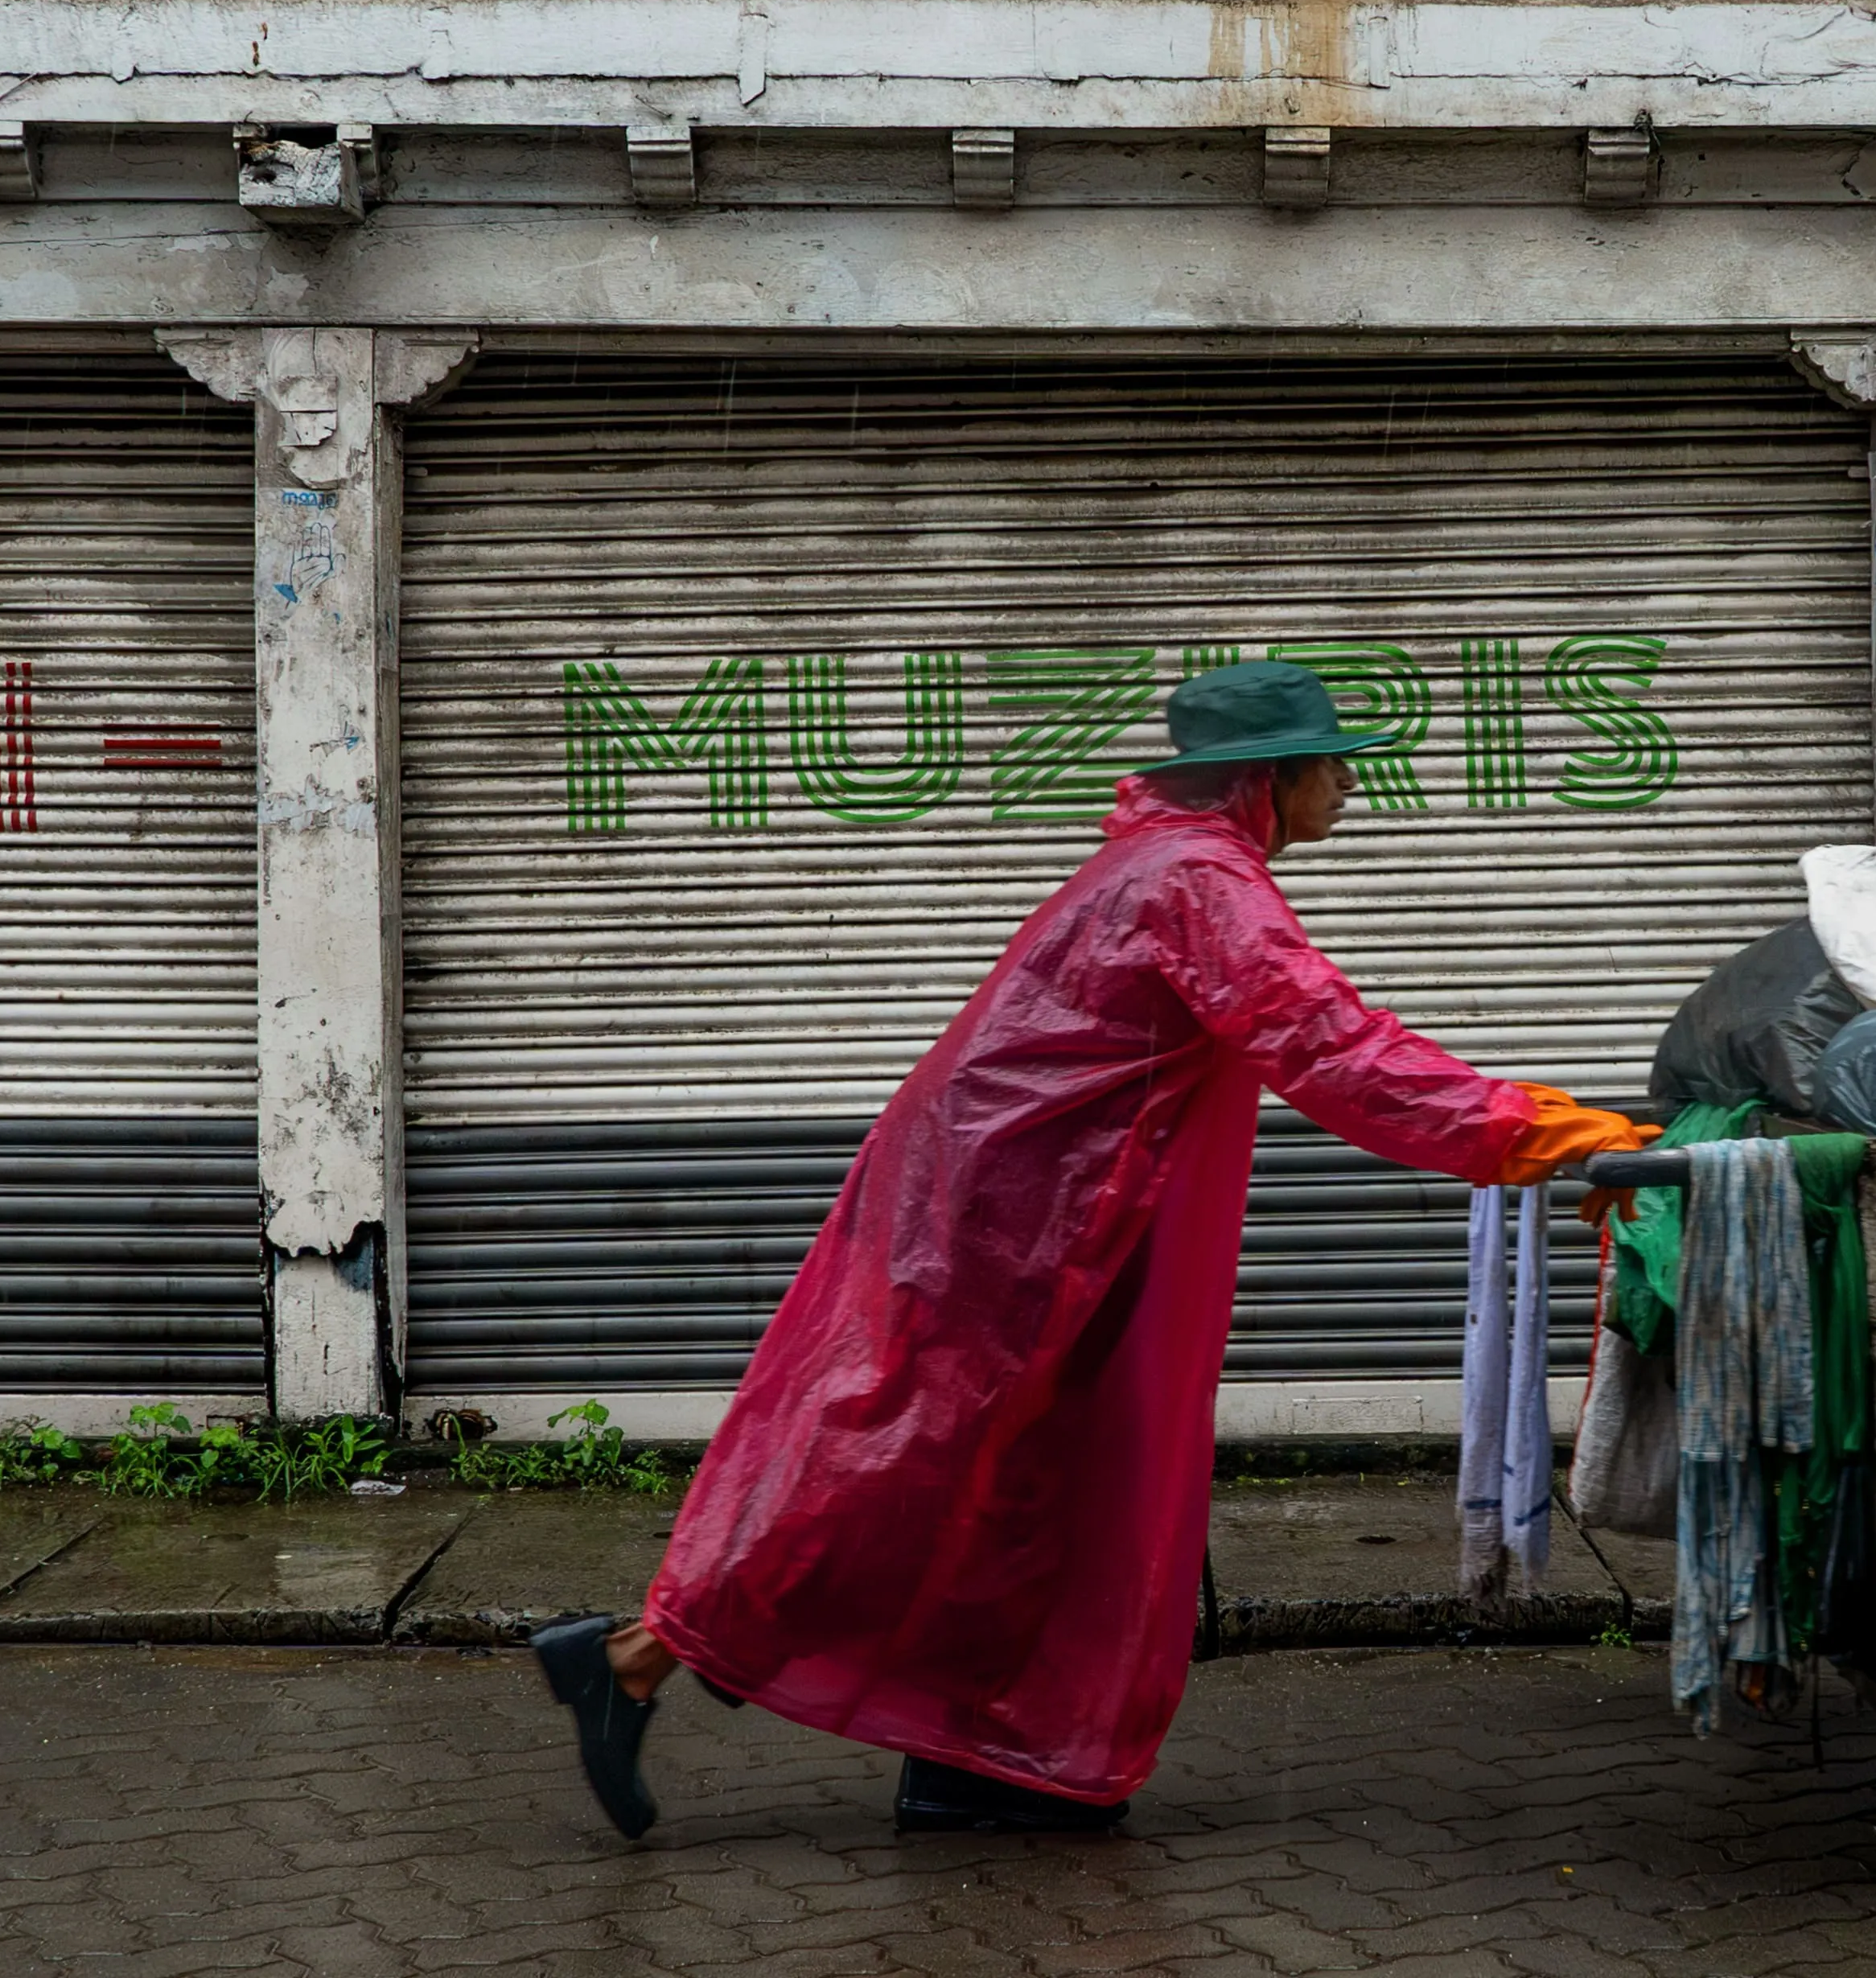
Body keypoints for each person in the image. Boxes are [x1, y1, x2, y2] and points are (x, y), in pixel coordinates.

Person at [531, 659, 1652, 1839]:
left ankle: (981, 1753)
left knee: (1025, 1491)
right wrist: (1536, 1130)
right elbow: (1329, 1050)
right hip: (1015, 1233)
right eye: (1332, 763)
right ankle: (637, 1656)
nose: (1349, 786)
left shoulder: (1174, 865)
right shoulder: (1199, 880)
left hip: (1038, 1222)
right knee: (902, 1474)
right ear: (1266, 778)